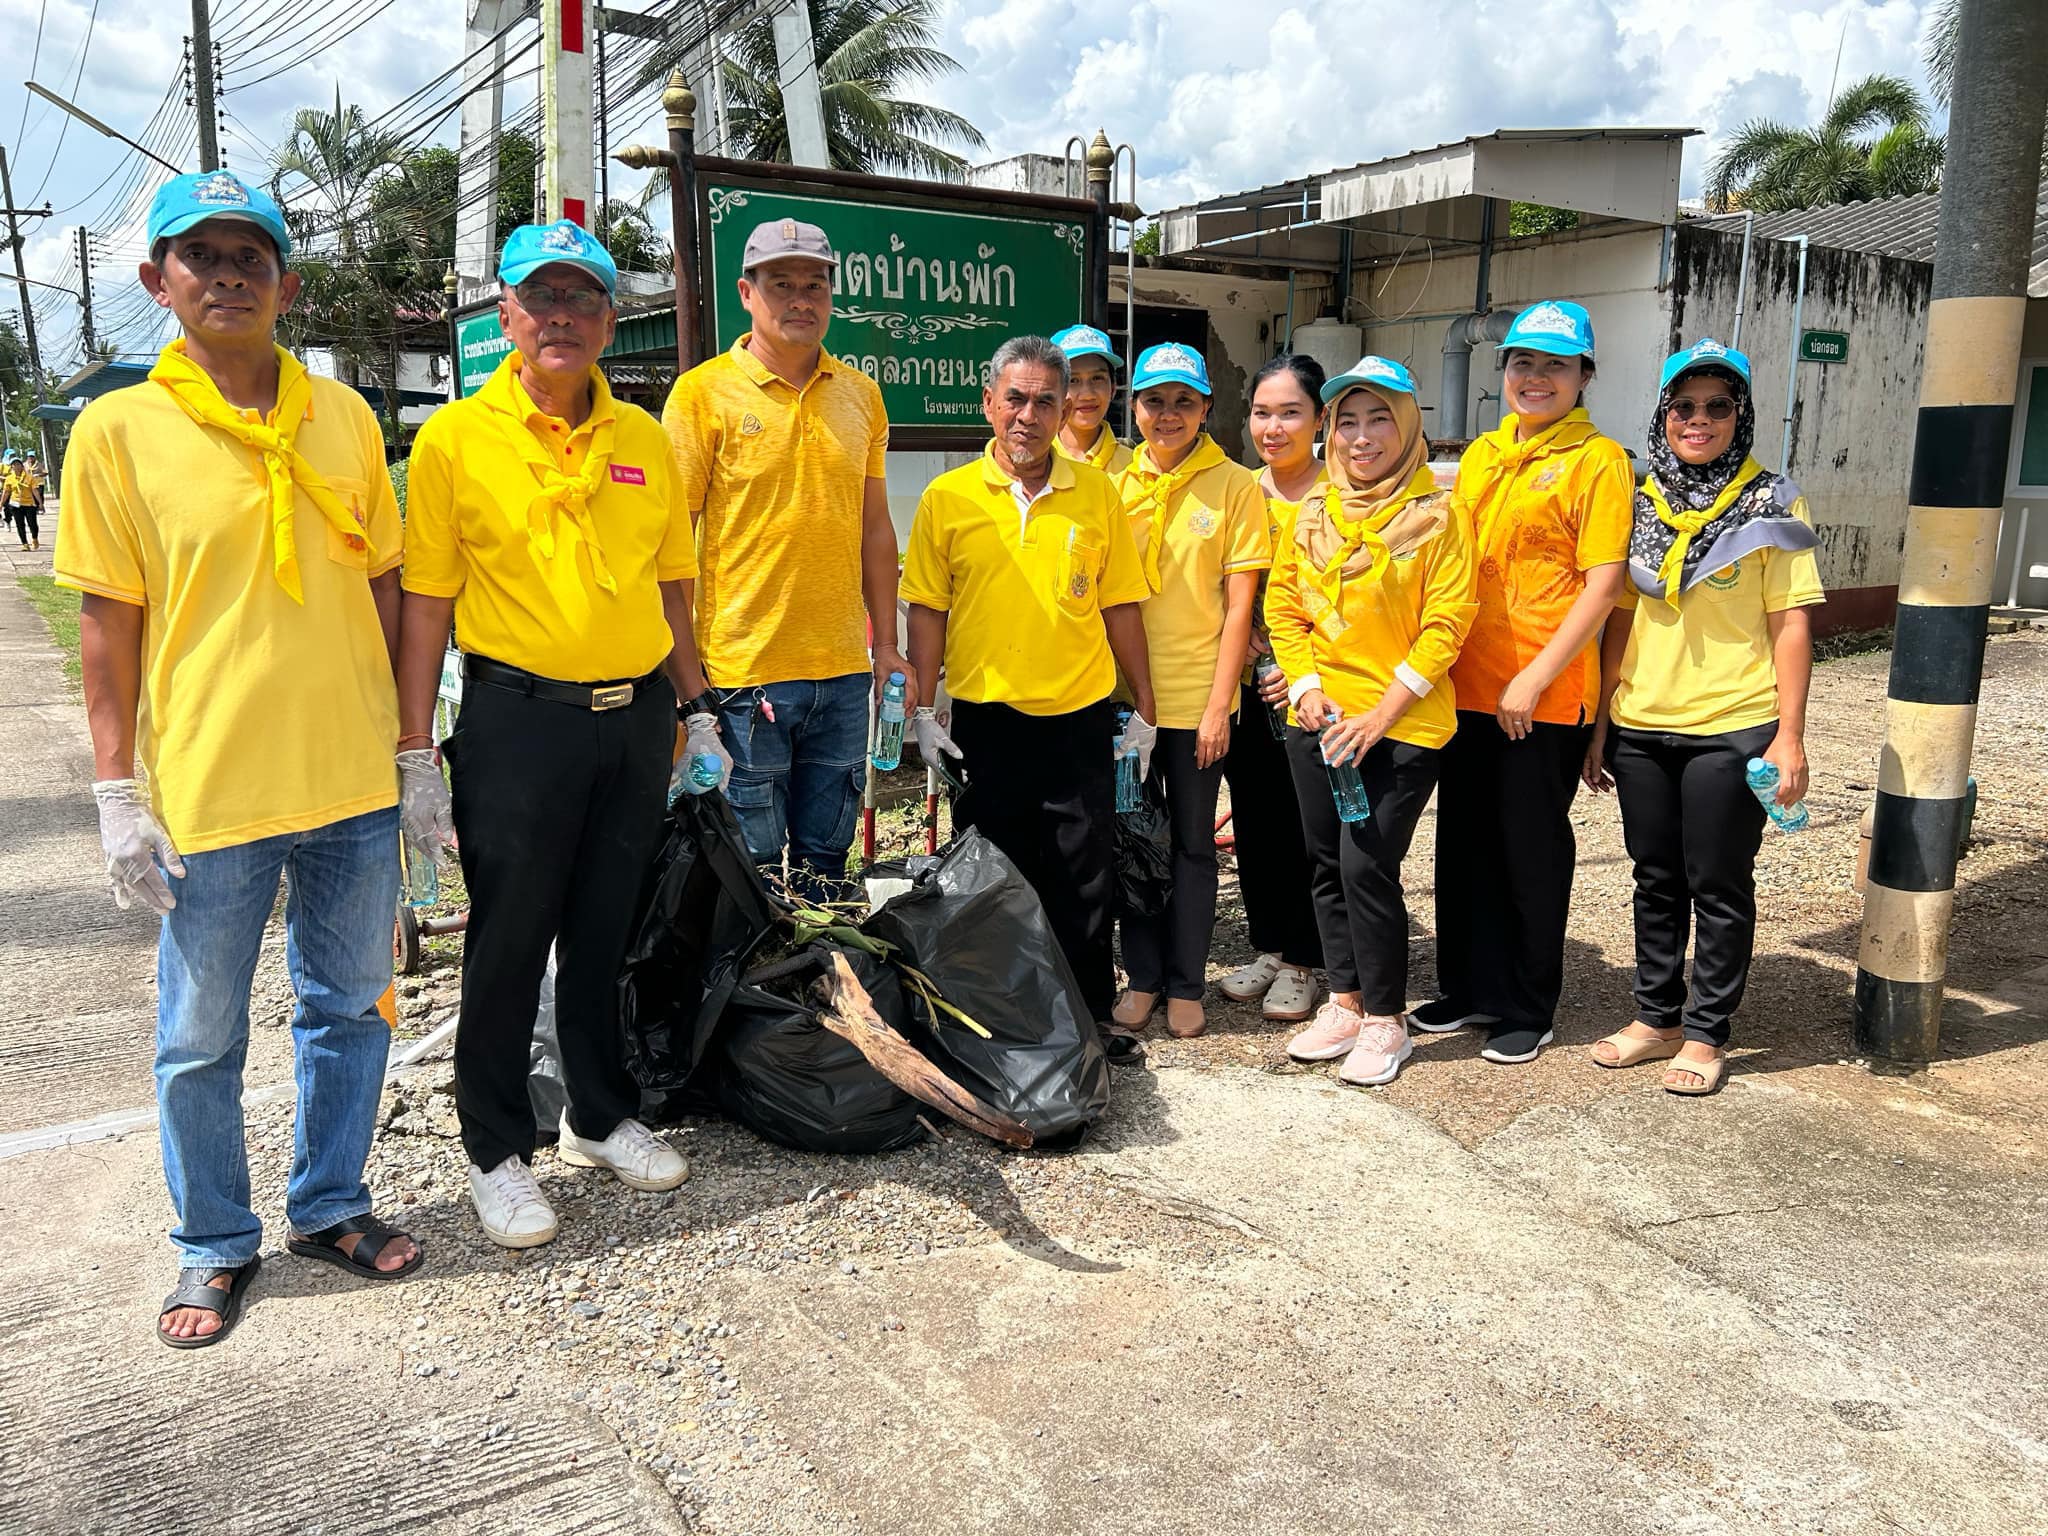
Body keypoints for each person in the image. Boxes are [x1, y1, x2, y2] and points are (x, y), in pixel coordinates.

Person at [54, 170, 421, 1348]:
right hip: (210, 792)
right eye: (198, 257)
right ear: (158, 282)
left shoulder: (346, 417)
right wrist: (117, 789)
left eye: (248, 257)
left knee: (349, 1012)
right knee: (199, 1036)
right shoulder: (119, 431)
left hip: (355, 784)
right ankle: (213, 1242)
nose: (225, 276)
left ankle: (329, 1206)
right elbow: (107, 622)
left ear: (285, 283)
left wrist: (415, 751)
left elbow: (388, 587)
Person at [398, 220, 711, 1249]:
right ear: (506, 319)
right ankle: (495, 1149)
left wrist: (697, 705)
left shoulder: (642, 438)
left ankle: (596, 1114)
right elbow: (428, 603)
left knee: (604, 930)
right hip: (518, 721)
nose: (561, 318)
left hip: (633, 720)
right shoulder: (454, 440)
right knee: (506, 939)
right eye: (541, 300)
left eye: (581, 300)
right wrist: (414, 748)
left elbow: (673, 582)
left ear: (611, 321)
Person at [901, 335, 1157, 1057]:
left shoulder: (1097, 494)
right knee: (990, 880)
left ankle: (1086, 1023)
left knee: (1083, 879)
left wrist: (1146, 706)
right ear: (988, 402)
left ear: (1063, 408)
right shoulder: (947, 499)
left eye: (1046, 399)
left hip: (1078, 721)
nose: (1029, 414)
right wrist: (922, 709)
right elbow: (927, 610)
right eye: (1015, 397)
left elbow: (1122, 607)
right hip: (986, 723)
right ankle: (998, 1022)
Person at [1584, 339, 1823, 1095]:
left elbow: (1790, 623)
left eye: (1719, 406)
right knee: (1654, 879)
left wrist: (1791, 737)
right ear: (1664, 413)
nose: (1699, 420)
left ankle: (1707, 1033)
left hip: (1733, 723)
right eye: (1683, 406)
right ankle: (1656, 1019)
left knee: (1716, 882)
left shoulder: (1773, 500)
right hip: (1643, 724)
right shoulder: (1641, 499)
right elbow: (1619, 619)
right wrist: (1602, 727)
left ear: (1741, 416)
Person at [663, 218, 907, 898]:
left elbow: (876, 531)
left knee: (828, 867)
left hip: (841, 674)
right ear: (747, 292)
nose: (800, 299)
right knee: (753, 872)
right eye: (781, 284)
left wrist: (885, 644)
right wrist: (686, 682)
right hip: (742, 678)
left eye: (815, 284)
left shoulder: (860, 395)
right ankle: (759, 1001)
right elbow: (670, 547)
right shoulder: (702, 395)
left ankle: (821, 995)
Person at [1418, 300, 1631, 1065]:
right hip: (1464, 684)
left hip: (1539, 695)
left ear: (1583, 376)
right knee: (1463, 843)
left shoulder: (1598, 462)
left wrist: (1535, 677)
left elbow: (1603, 586)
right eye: (1522, 363)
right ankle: (1468, 987)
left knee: (1528, 849)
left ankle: (1525, 1003)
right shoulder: (1481, 455)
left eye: (1554, 365)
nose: (1534, 378)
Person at [1266, 356, 1477, 1084]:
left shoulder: (1440, 517)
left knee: (1367, 864)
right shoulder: (1314, 512)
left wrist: (1381, 715)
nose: (1361, 437)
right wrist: (1306, 687)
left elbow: (1447, 625)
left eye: (1378, 417)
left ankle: (1388, 1019)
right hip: (1318, 718)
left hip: (1403, 724)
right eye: (1347, 422)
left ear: (1409, 423)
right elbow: (1283, 608)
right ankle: (1346, 999)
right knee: (1325, 862)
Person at [1110, 343, 1271, 1039]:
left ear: (1207, 407)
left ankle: (1185, 983)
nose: (1167, 414)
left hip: (1198, 700)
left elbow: (1240, 607)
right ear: (1134, 408)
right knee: (1133, 840)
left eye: (1183, 401)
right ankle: (1141, 978)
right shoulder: (1113, 483)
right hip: (1123, 705)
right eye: (1153, 400)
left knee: (1193, 849)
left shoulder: (1235, 486)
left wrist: (1217, 706)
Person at [1218, 354, 1327, 1023]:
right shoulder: (1243, 492)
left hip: (1314, 689)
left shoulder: (1342, 493)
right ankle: (1270, 944)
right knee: (1257, 817)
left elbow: (1366, 601)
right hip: (1249, 685)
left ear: (1318, 419)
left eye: (1290, 412)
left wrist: (1310, 663)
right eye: (1262, 412)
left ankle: (1307, 960)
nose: (1273, 426)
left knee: (1311, 826)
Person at [1051, 324, 1132, 475]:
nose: (1087, 394)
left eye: (1097, 378)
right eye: (1073, 380)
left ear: (1113, 388)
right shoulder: (1036, 462)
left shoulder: (1134, 468)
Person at [4, 450, 39, 550]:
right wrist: (1, 504)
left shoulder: (29, 477)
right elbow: (6, 492)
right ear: (11, 467)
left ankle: (34, 538)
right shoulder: (9, 478)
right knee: (20, 525)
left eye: (18, 464)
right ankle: (25, 544)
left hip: (29, 504)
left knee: (33, 524)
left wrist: (40, 503)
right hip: (15, 505)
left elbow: (34, 491)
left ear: (21, 466)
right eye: (14, 464)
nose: (16, 466)